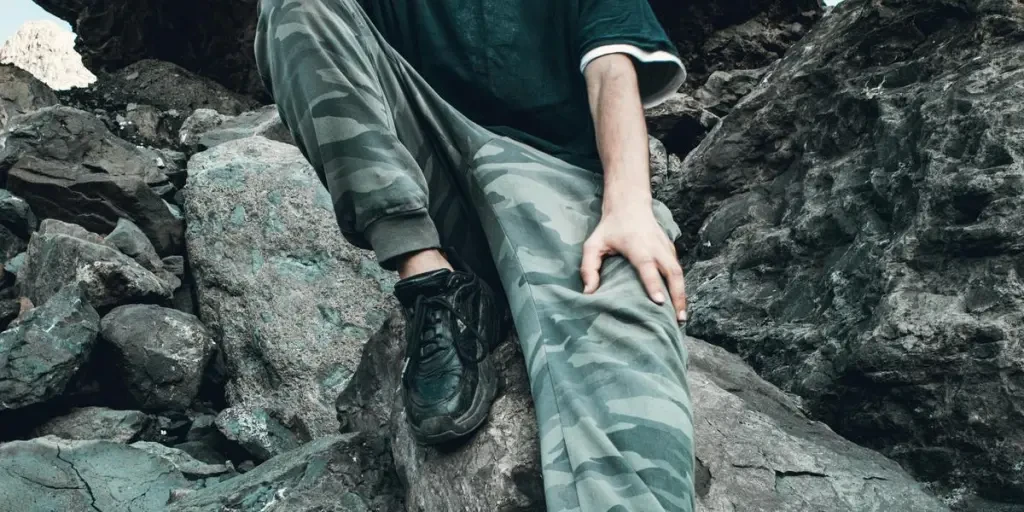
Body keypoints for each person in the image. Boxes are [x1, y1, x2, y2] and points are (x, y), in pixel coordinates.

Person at [254, 1, 695, 510]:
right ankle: (432, 285)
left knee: (633, 354)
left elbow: (611, 71)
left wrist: (629, 206)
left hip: (556, 186)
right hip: (429, 168)